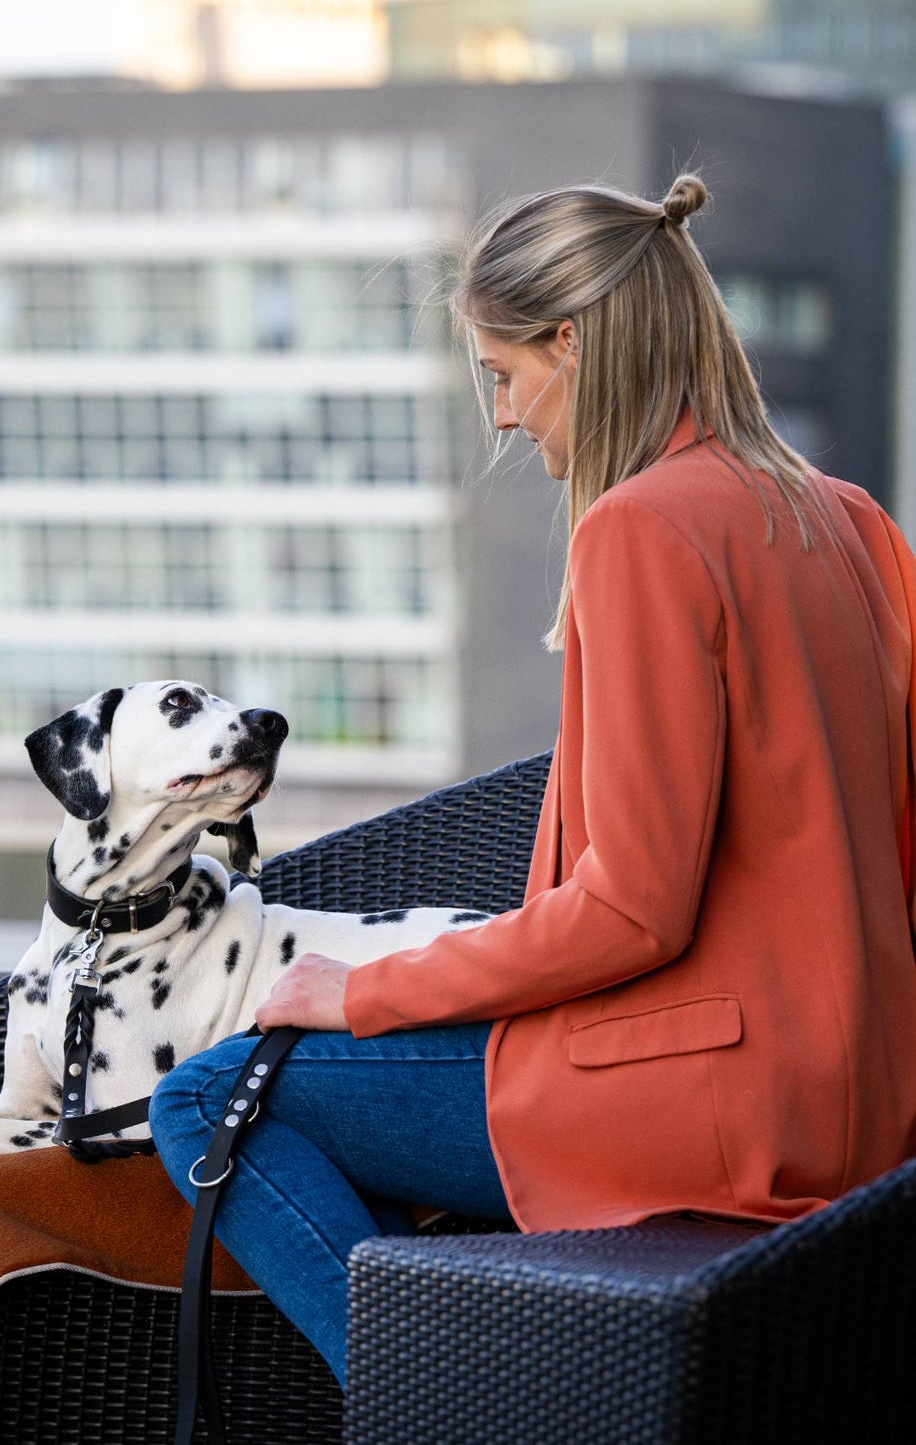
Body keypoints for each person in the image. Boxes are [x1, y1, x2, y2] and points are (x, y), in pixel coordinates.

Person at [148, 173, 916, 1389]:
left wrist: (368, 991)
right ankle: (520, 1352)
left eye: (504, 374)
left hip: (709, 1091)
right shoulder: (850, 520)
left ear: (572, 341)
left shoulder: (641, 531)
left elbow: (630, 908)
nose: (502, 418)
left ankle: (445, 1401)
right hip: (866, 1094)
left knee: (206, 1106)